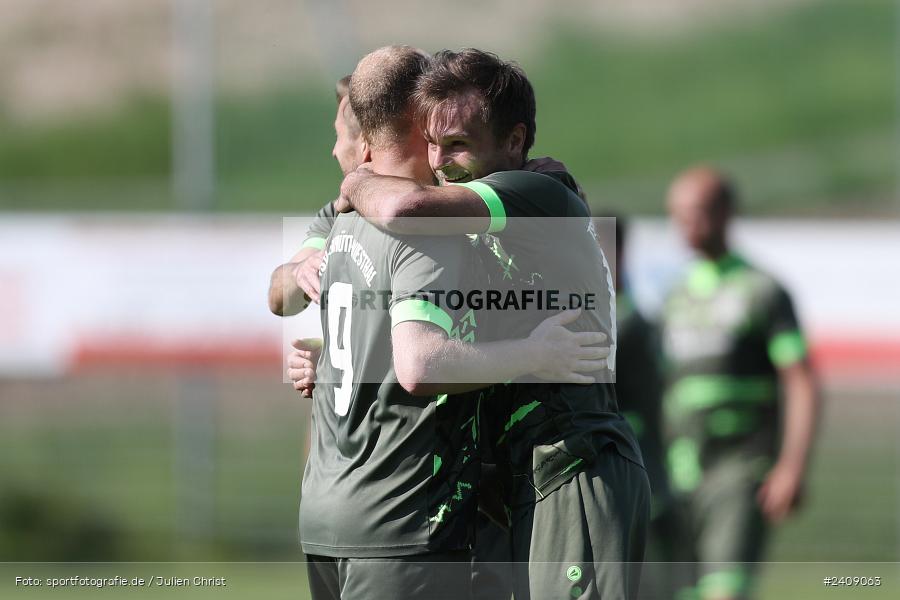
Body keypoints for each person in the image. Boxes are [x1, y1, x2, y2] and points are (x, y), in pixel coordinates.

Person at [338, 48, 650, 600]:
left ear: (513, 140)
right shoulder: (477, 226)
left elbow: (402, 207)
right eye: (431, 142)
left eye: (458, 143)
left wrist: (358, 180)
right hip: (523, 475)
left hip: (573, 462)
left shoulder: (536, 192)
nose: (439, 161)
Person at [659, 166, 820, 600]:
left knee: (724, 592)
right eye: (678, 215)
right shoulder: (675, 296)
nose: (686, 224)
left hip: (739, 471)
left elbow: (801, 381)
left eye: (697, 212)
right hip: (678, 473)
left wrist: (792, 467)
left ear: (726, 213)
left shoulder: (762, 291)